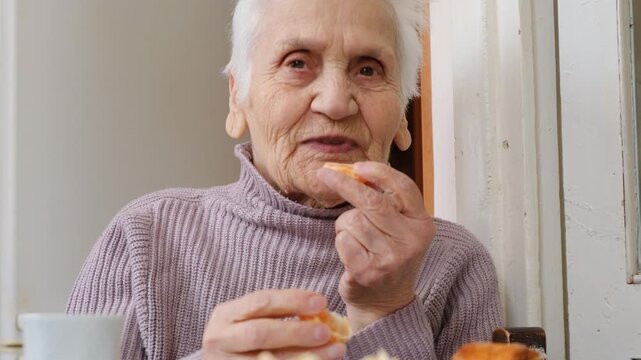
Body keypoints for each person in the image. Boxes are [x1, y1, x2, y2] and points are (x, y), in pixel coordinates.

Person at [67, 0, 503, 359]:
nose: (335, 102)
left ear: (404, 115)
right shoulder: (144, 237)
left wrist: (384, 311)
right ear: (238, 99)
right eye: (297, 63)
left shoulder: (456, 266)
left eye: (368, 69)